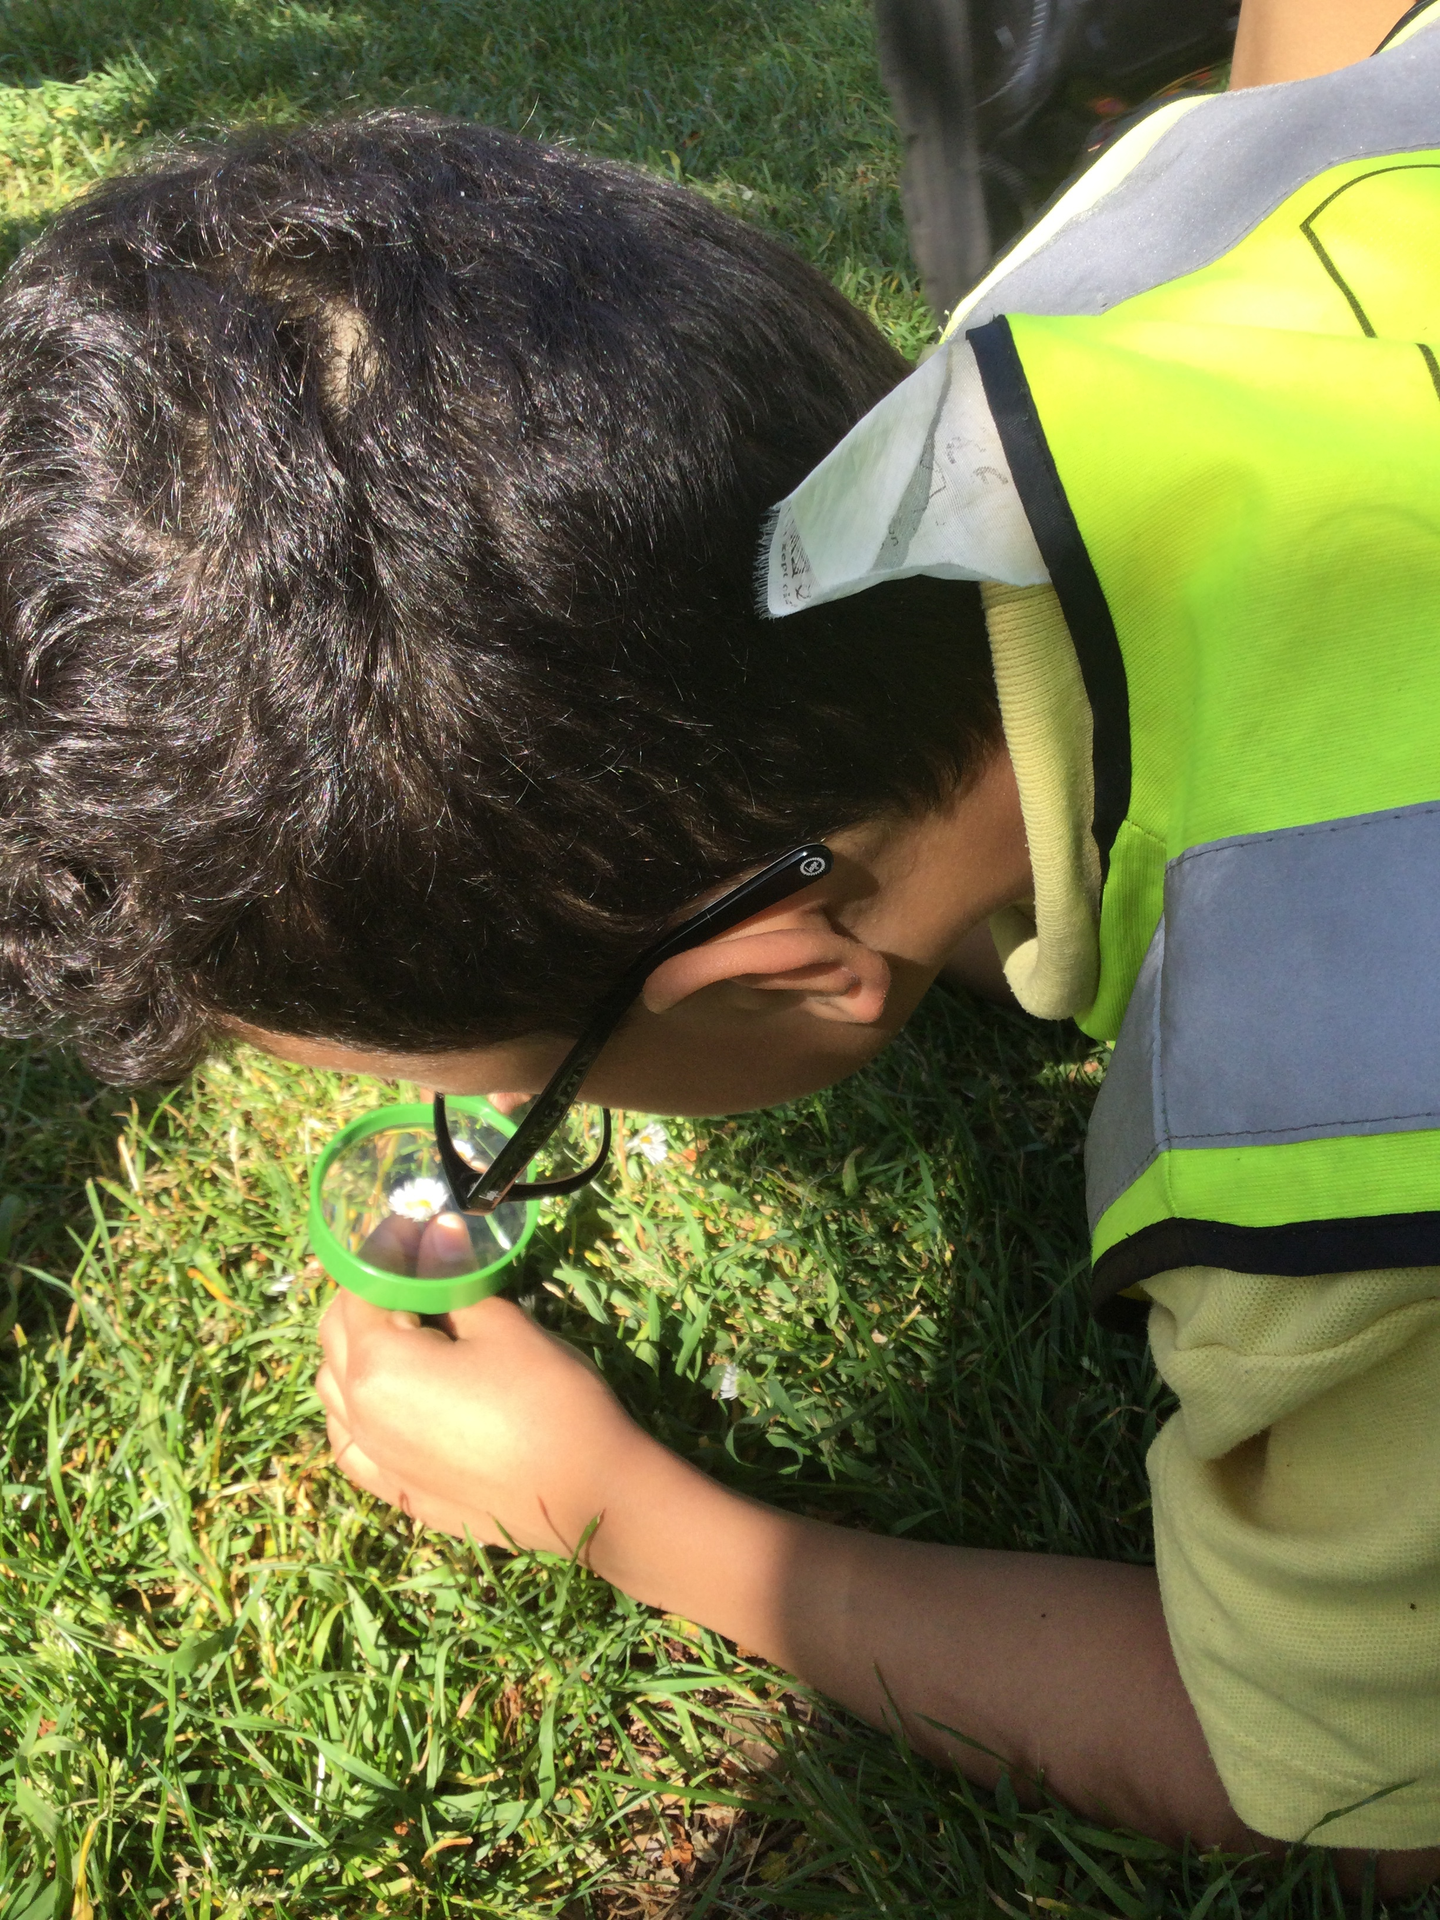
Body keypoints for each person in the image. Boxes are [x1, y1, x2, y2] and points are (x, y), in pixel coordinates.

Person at [0, 0, 1435, 1889]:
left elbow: (1345, 1788)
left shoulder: (1328, 1125)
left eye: (528, 1106)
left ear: (789, 970)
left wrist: (622, 1511)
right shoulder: (1169, 223)